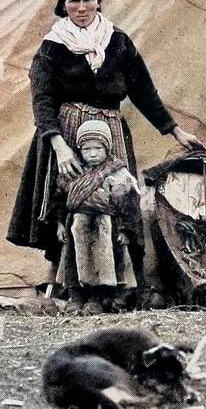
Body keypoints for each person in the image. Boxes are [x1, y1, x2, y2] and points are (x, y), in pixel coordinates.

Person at [7, 0, 201, 307]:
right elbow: (42, 99)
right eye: (74, 1)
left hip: (109, 133)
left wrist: (174, 132)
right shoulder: (52, 47)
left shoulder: (118, 42)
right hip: (65, 133)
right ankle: (68, 289)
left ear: (99, 0)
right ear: (63, 4)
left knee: (115, 204)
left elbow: (144, 91)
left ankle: (118, 288)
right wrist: (58, 147)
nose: (81, 8)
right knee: (72, 204)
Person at [55, 120, 142, 314]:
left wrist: (125, 229)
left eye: (98, 148)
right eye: (87, 149)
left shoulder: (117, 172)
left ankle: (97, 300)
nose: (92, 153)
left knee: (102, 263)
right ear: (79, 150)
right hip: (77, 226)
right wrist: (60, 224)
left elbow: (128, 204)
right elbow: (60, 199)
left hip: (105, 226)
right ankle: (76, 298)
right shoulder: (73, 172)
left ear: (107, 148)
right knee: (74, 262)